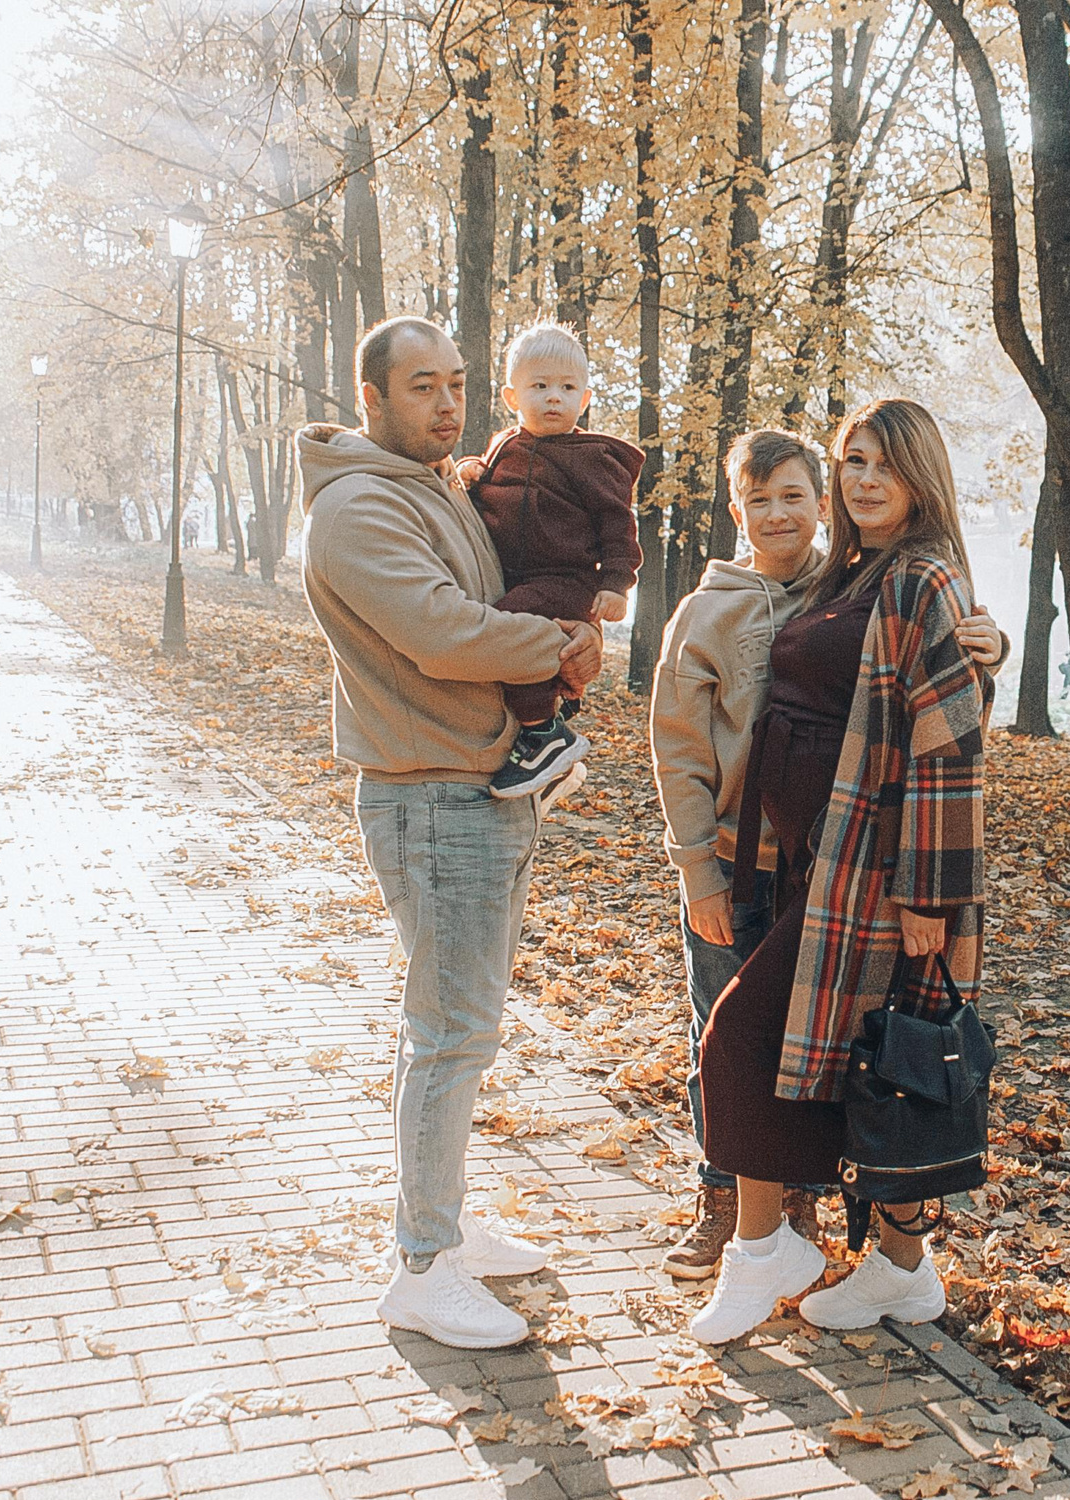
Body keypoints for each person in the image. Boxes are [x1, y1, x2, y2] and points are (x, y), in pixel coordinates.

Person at [298, 313, 604, 1351]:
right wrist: (561, 641)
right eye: (420, 385)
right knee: (450, 1032)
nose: (445, 402)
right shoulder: (354, 509)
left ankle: (446, 1221)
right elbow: (440, 629)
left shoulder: (433, 484)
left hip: (476, 789)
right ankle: (422, 1265)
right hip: (431, 796)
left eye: (457, 382)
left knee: (451, 1027)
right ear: (371, 398)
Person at [648, 429, 1004, 1281]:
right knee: (722, 1027)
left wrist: (984, 649)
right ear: (737, 511)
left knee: (802, 1035)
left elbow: (929, 698)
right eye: (759, 500)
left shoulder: (855, 582)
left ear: (818, 503)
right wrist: (697, 867)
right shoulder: (713, 608)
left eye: (794, 495)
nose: (779, 513)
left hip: (825, 866)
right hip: (736, 863)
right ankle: (725, 1199)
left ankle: (799, 1216)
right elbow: (677, 750)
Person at [459, 321, 643, 799]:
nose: (554, 398)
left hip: (565, 577)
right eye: (539, 387)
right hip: (517, 575)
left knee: (502, 627)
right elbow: (495, 491)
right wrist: (472, 473)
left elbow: (616, 520)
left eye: (566, 388)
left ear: (584, 399)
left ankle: (544, 733)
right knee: (511, 624)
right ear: (512, 396)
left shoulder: (591, 458)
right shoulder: (505, 446)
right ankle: (554, 707)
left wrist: (617, 582)